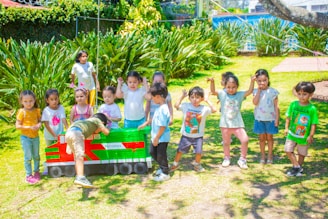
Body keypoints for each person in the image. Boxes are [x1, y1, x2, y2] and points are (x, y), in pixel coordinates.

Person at [209, 74, 255, 169]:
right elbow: (213, 91)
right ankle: (226, 158)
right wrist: (212, 82)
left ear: (237, 87)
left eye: (233, 87)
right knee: (226, 142)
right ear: (225, 86)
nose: (231, 89)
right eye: (228, 87)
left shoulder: (239, 95)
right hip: (225, 124)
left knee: (245, 140)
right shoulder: (222, 94)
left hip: (237, 124)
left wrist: (252, 81)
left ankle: (242, 159)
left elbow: (249, 91)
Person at [170, 86, 216, 173]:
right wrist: (182, 96)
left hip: (198, 136)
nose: (195, 99)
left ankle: (197, 165)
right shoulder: (186, 106)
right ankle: (175, 164)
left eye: (198, 97)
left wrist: (207, 100)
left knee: (198, 152)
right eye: (192, 97)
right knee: (180, 151)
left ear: (201, 98)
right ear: (189, 98)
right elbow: (176, 106)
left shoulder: (204, 109)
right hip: (186, 136)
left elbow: (214, 110)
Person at [65, 113, 110, 188]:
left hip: (69, 133)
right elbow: (106, 132)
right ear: (102, 123)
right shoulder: (97, 121)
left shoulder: (86, 121)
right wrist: (106, 128)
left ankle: (78, 175)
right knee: (80, 155)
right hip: (77, 133)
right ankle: (80, 177)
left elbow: (94, 131)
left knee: (76, 156)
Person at [138, 82, 171, 181]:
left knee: (161, 154)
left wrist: (157, 138)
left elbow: (162, 126)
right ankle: (162, 167)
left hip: (161, 137)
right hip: (156, 137)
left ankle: (165, 173)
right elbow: (154, 118)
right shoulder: (159, 108)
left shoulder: (164, 109)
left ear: (159, 97)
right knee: (152, 152)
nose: (152, 99)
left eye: (153, 97)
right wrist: (146, 122)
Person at [284, 82, 318, 177]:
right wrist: (286, 128)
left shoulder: (312, 109)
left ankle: (297, 169)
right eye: (299, 94)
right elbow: (288, 117)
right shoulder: (293, 104)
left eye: (304, 94)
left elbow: (313, 123)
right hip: (292, 133)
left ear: (311, 95)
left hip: (304, 136)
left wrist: (311, 135)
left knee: (301, 153)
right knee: (288, 149)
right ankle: (296, 166)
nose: (301, 97)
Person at [252, 69, 279, 164]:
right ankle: (263, 155)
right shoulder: (255, 91)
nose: (262, 83)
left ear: (268, 79)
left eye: (264, 80)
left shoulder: (273, 92)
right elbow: (255, 103)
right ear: (256, 81)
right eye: (259, 81)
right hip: (259, 119)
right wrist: (259, 91)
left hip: (270, 119)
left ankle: (270, 155)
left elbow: (276, 106)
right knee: (262, 138)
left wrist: (277, 118)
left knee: (270, 138)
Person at [15, 90, 42, 184]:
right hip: (26, 137)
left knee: (36, 156)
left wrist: (39, 125)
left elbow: (40, 121)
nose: (28, 103)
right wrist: (29, 127)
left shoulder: (37, 111)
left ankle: (37, 171)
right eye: (25, 101)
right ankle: (28, 175)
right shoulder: (21, 112)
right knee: (28, 156)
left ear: (34, 100)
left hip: (35, 137)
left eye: (30, 101)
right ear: (21, 102)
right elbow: (17, 126)